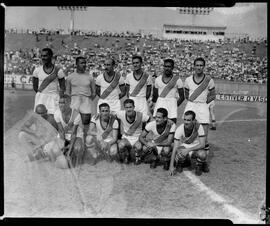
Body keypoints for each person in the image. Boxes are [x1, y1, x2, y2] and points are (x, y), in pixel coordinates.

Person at [183, 57, 216, 155]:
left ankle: (203, 158)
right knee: (187, 130)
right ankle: (187, 154)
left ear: (204, 67)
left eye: (201, 65)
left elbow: (213, 95)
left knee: (204, 132)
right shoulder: (188, 80)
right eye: (197, 65)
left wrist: (204, 103)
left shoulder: (209, 80)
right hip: (191, 105)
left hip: (203, 106)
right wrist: (193, 101)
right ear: (194, 66)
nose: (199, 67)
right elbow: (186, 94)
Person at [65, 56, 96, 142]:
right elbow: (67, 92)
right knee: (71, 126)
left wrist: (87, 101)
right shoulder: (70, 77)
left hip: (86, 104)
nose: (84, 65)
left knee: (85, 127)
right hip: (74, 103)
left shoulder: (90, 77)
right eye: (82, 63)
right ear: (76, 64)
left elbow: (94, 92)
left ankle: (84, 144)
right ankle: (69, 144)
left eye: (85, 63)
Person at [169, 110, 208, 176]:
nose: (186, 122)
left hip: (195, 148)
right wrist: (171, 165)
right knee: (179, 152)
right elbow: (175, 147)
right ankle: (183, 162)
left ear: (193, 120)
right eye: (185, 119)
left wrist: (188, 150)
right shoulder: (180, 129)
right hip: (185, 147)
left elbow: (202, 144)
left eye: (188, 120)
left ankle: (200, 164)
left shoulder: (199, 127)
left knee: (202, 154)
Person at [32, 48, 66, 117]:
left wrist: (59, 98)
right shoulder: (37, 70)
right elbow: (35, 87)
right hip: (41, 98)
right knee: (39, 120)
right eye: (42, 56)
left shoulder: (58, 71)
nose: (43, 58)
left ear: (50, 56)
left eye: (45, 56)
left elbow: (62, 87)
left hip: (54, 98)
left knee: (53, 120)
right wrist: (42, 94)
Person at [54, 94, 85, 168]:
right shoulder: (56, 113)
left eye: (63, 103)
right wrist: (62, 148)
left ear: (69, 103)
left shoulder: (76, 115)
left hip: (76, 134)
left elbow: (74, 134)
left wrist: (69, 153)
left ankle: (71, 154)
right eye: (60, 103)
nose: (61, 105)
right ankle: (65, 153)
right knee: (55, 150)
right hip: (64, 134)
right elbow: (61, 131)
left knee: (77, 149)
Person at [116, 98, 150, 165]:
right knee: (121, 145)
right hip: (127, 138)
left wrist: (144, 133)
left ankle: (138, 157)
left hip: (137, 138)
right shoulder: (121, 114)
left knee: (139, 147)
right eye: (127, 107)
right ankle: (126, 155)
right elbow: (112, 116)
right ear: (124, 108)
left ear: (134, 107)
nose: (129, 109)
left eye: (130, 107)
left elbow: (150, 119)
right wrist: (99, 115)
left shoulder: (140, 115)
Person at [152, 59, 185, 124]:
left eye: (169, 66)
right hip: (160, 104)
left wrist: (175, 105)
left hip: (172, 105)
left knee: (171, 127)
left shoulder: (177, 80)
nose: (167, 68)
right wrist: (154, 106)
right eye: (165, 66)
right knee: (159, 127)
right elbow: (155, 96)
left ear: (172, 68)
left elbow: (182, 97)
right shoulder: (158, 79)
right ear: (163, 67)